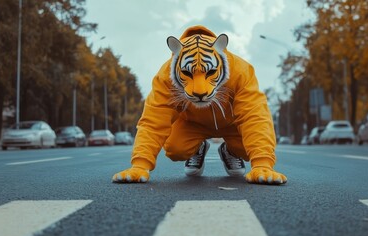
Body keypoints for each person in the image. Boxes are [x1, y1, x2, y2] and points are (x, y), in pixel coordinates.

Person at [112, 25, 287, 185]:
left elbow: (254, 116)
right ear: (176, 61)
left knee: (247, 148)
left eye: (210, 72)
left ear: (222, 57)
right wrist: (140, 164)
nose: (200, 90)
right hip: (192, 125)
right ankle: (198, 147)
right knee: (174, 149)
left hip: (232, 125)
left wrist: (262, 164)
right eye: (187, 73)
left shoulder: (240, 71)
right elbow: (153, 120)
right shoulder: (166, 77)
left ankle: (231, 150)